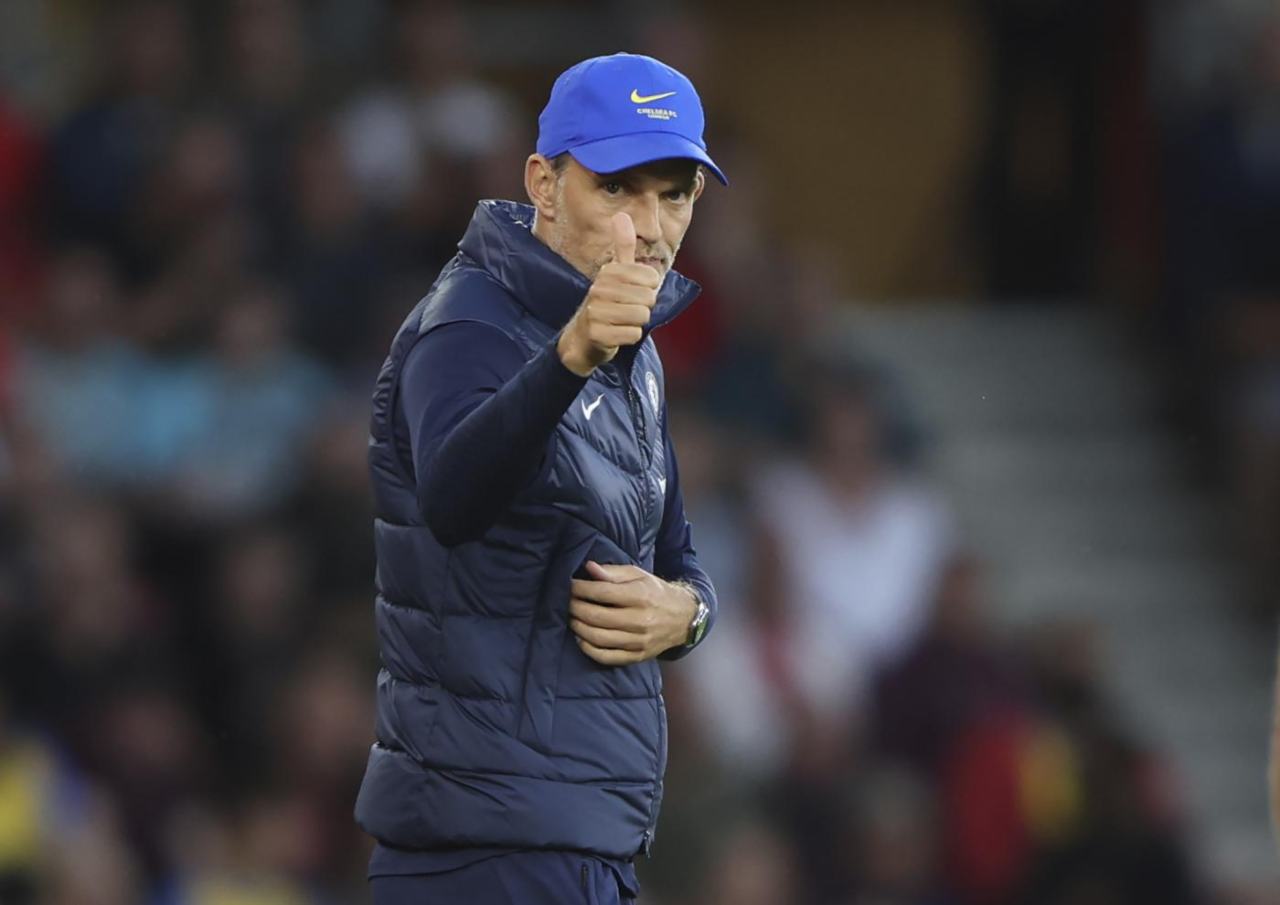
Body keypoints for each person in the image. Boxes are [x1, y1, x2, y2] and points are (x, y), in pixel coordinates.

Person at [353, 52, 727, 905]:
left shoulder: (634, 350)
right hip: (484, 845)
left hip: (580, 837)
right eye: (617, 188)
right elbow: (452, 500)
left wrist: (688, 615)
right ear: (544, 184)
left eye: (675, 195)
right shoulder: (468, 325)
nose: (649, 226)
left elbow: (677, 555)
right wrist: (570, 355)